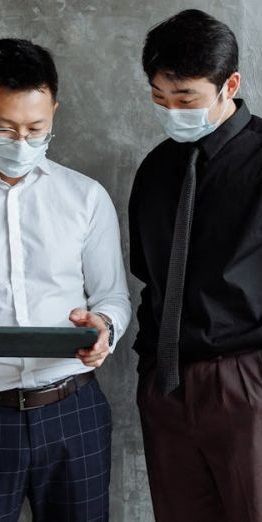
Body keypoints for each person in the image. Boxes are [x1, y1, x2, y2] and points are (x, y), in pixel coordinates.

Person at [129, 9, 262, 522]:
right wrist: (149, 369)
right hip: (168, 387)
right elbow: (151, 278)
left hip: (252, 383)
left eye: (186, 99)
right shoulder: (157, 169)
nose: (171, 110)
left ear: (230, 84)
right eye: (160, 97)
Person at [0, 39, 131, 522]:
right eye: (5, 128)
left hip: (70, 409)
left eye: (36, 128)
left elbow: (112, 295)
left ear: (53, 109)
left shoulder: (85, 197)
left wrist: (104, 328)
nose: (21, 143)